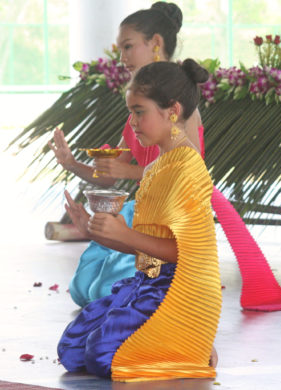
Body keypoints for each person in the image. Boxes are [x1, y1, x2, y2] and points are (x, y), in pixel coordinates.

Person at [50, 3, 281, 312]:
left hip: (169, 217)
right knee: (84, 288)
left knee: (102, 291)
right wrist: (71, 163)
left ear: (155, 44)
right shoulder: (138, 107)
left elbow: (184, 169)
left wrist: (129, 176)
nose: (121, 58)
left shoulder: (177, 103)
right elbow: (114, 174)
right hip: (143, 209)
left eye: (128, 47)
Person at [57, 59, 222, 381]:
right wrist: (94, 229)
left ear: (172, 110)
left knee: (104, 357)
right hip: (147, 281)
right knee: (72, 349)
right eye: (130, 111)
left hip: (179, 291)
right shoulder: (157, 166)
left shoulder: (187, 168)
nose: (131, 122)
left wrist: (126, 235)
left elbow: (186, 254)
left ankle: (193, 346)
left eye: (139, 111)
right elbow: (144, 250)